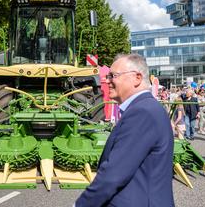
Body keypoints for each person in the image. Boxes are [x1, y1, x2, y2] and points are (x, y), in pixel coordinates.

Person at [74, 53, 174, 207]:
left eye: (113, 76)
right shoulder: (147, 108)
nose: (107, 81)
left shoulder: (142, 112)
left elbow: (113, 175)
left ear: (137, 78)